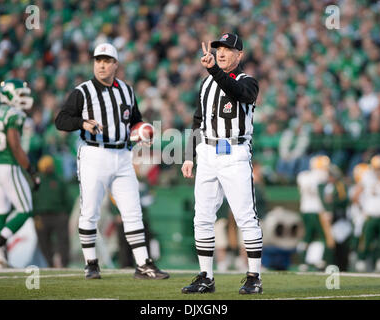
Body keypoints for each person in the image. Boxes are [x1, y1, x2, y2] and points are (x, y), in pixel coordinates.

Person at [55, 42, 169, 280]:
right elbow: (61, 120)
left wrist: (143, 132)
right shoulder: (82, 91)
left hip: (123, 155)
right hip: (94, 154)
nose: (102, 65)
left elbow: (135, 121)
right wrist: (82, 123)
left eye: (107, 61)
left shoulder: (126, 91)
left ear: (116, 64)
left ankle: (143, 264)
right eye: (98, 61)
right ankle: (91, 263)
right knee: (90, 211)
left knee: (133, 211)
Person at [181, 33, 263, 294]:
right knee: (202, 216)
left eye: (228, 49)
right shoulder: (206, 84)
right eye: (219, 48)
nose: (222, 52)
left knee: (244, 217)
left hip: (234, 152)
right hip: (207, 151)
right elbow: (197, 121)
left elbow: (238, 92)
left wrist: (214, 70)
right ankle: (206, 276)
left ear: (240, 55)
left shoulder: (247, 80)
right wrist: (188, 155)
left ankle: (254, 277)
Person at [0, 79, 40, 267]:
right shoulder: (13, 114)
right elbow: (15, 146)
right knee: (25, 209)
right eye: (20, 94)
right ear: (9, 95)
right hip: (8, 166)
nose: (23, 98)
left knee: (1, 213)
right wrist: (31, 171)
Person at [32, 155, 71, 268]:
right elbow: (31, 199)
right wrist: (34, 215)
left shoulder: (59, 180)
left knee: (63, 241)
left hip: (59, 215)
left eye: (50, 165)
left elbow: (67, 199)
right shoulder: (36, 181)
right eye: (46, 166)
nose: (49, 167)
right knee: (43, 242)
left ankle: (64, 264)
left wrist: (65, 213)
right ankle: (49, 264)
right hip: (41, 216)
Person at [296, 155, 333, 271]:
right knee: (323, 237)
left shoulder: (303, 176)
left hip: (305, 209)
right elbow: (323, 195)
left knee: (307, 236)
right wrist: (327, 210)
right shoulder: (321, 176)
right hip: (317, 210)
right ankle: (319, 260)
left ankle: (303, 261)